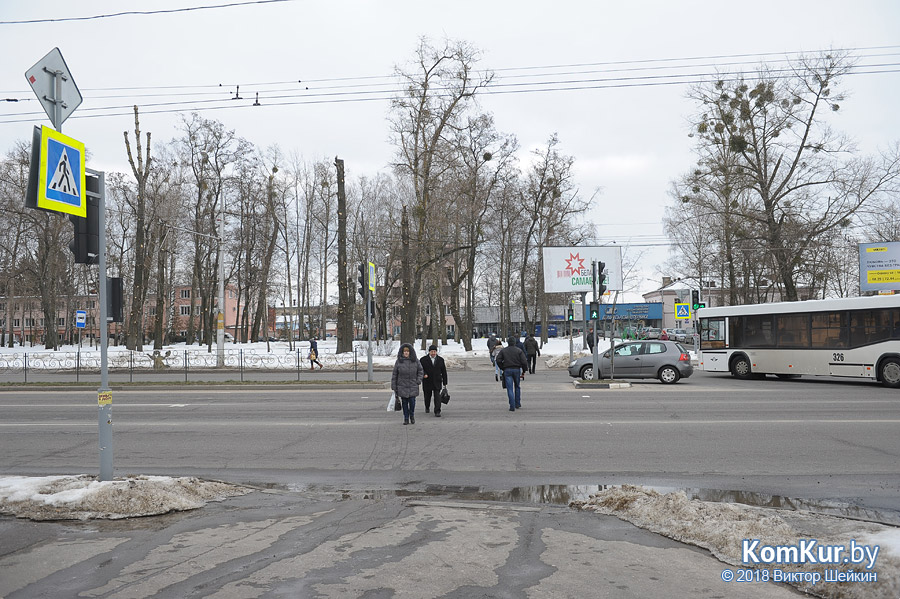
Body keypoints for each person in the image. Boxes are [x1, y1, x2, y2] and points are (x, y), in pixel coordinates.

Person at [391, 343, 423, 425]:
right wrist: (394, 386)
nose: (406, 353)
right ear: (402, 352)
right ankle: (406, 418)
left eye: (407, 351)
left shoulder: (415, 361)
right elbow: (395, 374)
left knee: (412, 402)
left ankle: (411, 415)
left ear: (410, 352)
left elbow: (420, 371)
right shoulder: (399, 362)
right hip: (402, 385)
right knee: (404, 403)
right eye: (404, 351)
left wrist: (418, 380)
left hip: (413, 384)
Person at [495, 335, 528, 412]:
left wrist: (503, 367)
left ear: (508, 343)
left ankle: (512, 405)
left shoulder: (504, 351)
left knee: (509, 388)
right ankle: (517, 403)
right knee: (517, 386)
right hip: (516, 370)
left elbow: (498, 360)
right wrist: (524, 370)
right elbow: (524, 361)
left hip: (507, 370)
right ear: (515, 342)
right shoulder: (519, 351)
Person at [420, 345, 448, 417]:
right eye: (432, 351)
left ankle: (437, 411)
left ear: (436, 352)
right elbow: (420, 370)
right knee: (427, 396)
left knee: (437, 397)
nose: (433, 353)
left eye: (434, 351)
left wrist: (445, 382)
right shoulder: (423, 360)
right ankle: (427, 406)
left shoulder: (440, 360)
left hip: (437, 381)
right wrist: (424, 374)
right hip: (427, 381)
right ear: (429, 352)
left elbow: (444, 371)